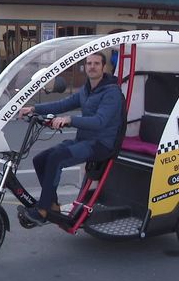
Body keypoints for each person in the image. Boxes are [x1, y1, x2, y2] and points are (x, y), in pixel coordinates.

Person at [17, 52, 124, 226]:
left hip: (100, 144)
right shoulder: (87, 89)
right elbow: (62, 104)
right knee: (40, 159)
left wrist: (70, 120)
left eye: (96, 63)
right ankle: (53, 205)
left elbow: (100, 121)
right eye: (89, 63)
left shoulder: (111, 93)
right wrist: (34, 109)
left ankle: (43, 211)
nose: (92, 66)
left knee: (55, 159)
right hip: (84, 140)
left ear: (104, 67)